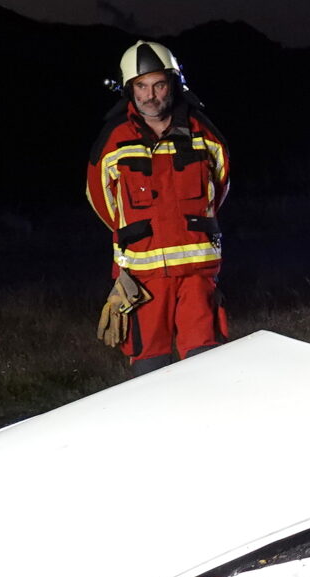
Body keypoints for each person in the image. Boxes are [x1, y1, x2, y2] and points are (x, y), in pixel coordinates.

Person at [85, 41, 232, 370]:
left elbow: (219, 187)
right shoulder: (114, 140)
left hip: (197, 273)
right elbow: (100, 200)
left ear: (174, 85)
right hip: (143, 280)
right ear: (130, 90)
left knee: (207, 363)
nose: (150, 96)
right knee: (150, 368)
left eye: (159, 84)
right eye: (141, 86)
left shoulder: (205, 136)